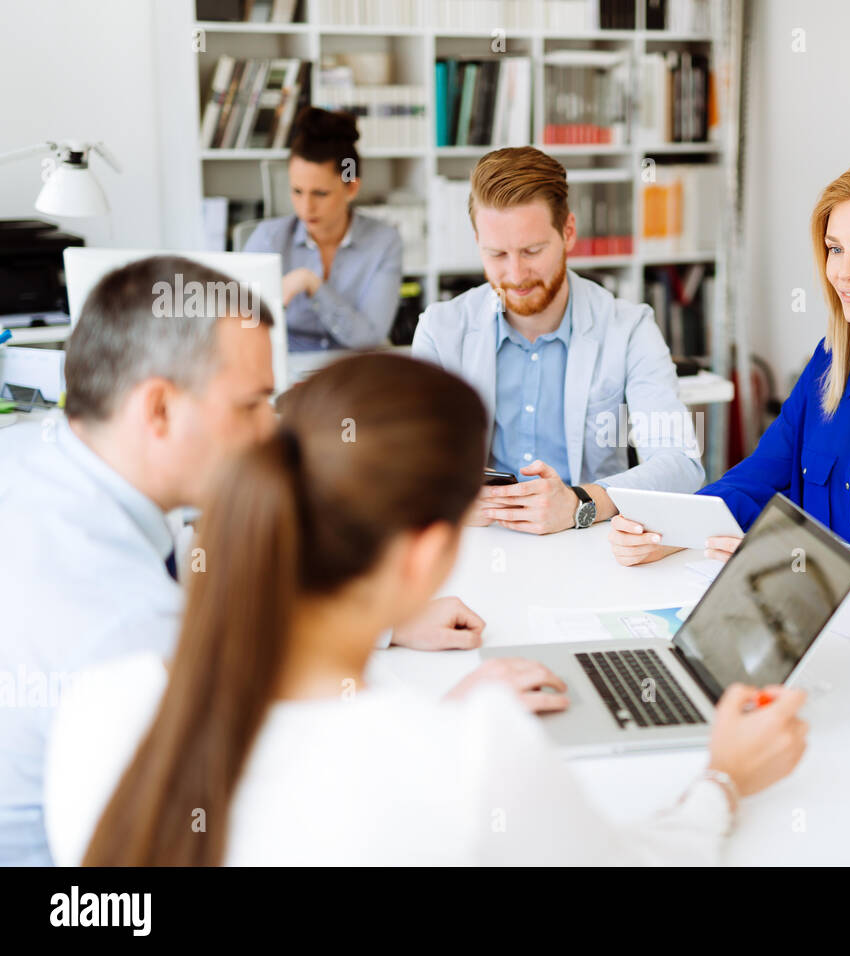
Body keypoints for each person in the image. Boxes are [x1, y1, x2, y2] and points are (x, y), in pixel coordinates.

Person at [43, 353, 809, 865]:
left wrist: (446, 715)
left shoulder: (102, 704)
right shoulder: (469, 761)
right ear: (426, 556)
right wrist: (725, 778)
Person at [0, 256, 499, 867]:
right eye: (251, 405)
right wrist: (440, 737)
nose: (271, 433)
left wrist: (383, 622)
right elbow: (282, 815)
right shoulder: (132, 633)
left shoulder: (31, 454)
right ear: (157, 409)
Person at [609, 154, 850, 597]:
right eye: (836, 248)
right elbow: (760, 477)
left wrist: (822, 563)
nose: (844, 271)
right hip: (821, 618)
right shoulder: (828, 361)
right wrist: (668, 529)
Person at [411, 146, 704, 536]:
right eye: (496, 253)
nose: (515, 274)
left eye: (532, 251)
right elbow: (408, 461)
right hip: (478, 542)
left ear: (568, 232)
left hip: (591, 539)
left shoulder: (629, 328)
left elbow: (681, 463)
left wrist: (579, 503)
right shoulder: (440, 331)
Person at [244, 107, 402, 351]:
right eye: (297, 191)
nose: (306, 208)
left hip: (352, 369)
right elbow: (243, 327)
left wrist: (312, 284)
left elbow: (369, 339)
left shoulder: (384, 242)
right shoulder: (268, 239)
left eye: (320, 193)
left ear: (351, 187)